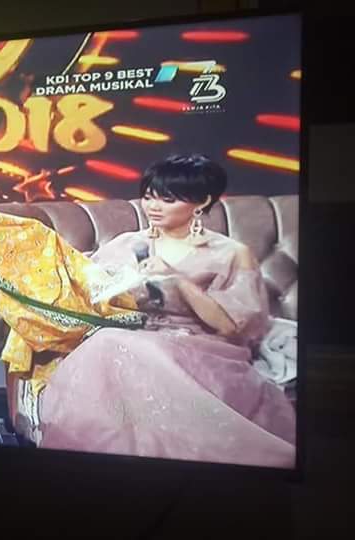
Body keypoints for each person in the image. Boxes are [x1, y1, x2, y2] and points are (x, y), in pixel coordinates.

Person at [37, 154, 297, 468]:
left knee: (116, 345)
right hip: (133, 334)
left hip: (203, 344)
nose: (153, 207)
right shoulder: (125, 244)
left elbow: (231, 327)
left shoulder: (231, 253)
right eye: (149, 197)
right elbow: (87, 294)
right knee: (106, 343)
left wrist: (178, 280)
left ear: (202, 202)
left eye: (168, 200)